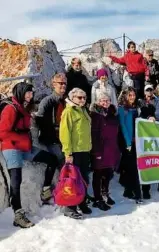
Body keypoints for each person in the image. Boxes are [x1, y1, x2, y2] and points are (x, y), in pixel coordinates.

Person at [0, 82, 60, 228]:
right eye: (28, 93)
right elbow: (2, 132)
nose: (30, 95)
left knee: (52, 159)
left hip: (26, 147)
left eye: (32, 93)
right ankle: (18, 215)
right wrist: (21, 138)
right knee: (16, 181)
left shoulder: (23, 108)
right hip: (12, 148)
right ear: (20, 92)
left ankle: (46, 190)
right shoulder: (11, 109)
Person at [59, 88, 93, 219]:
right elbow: (64, 133)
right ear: (72, 98)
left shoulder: (83, 110)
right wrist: (68, 153)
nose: (82, 100)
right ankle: (70, 207)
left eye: (84, 97)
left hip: (84, 150)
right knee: (72, 180)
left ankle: (82, 202)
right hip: (74, 151)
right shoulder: (68, 112)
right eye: (79, 97)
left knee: (84, 179)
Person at [34, 73, 67, 203]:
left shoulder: (65, 101)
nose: (63, 85)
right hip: (51, 138)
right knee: (59, 158)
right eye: (60, 83)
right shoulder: (47, 101)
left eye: (64, 83)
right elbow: (40, 119)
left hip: (63, 137)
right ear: (53, 84)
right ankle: (48, 190)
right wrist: (53, 131)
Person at [90, 92, 120, 210]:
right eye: (102, 100)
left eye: (107, 100)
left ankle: (105, 193)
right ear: (98, 102)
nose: (105, 102)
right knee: (98, 174)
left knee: (108, 173)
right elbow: (94, 134)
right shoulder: (94, 115)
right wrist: (96, 151)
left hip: (111, 148)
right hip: (99, 149)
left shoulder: (113, 114)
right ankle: (98, 198)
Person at [118, 87, 143, 203]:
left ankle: (128, 190)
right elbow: (123, 127)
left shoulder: (136, 108)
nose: (132, 97)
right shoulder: (122, 109)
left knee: (130, 167)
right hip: (128, 142)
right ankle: (138, 194)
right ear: (125, 96)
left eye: (133, 95)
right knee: (133, 168)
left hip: (136, 141)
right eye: (130, 95)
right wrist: (128, 143)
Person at [136, 84, 156, 199]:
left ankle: (147, 187)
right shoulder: (140, 101)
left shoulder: (156, 101)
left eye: (150, 90)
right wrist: (147, 117)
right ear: (144, 92)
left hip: (153, 133)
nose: (149, 92)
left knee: (151, 159)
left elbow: (157, 114)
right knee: (143, 160)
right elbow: (139, 114)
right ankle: (142, 187)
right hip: (142, 133)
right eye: (147, 90)